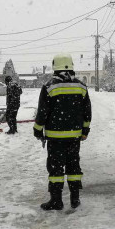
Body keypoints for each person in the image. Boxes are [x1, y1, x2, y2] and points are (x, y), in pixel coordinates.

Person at [33, 53, 91, 211]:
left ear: (55, 67)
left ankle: (56, 201)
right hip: (74, 137)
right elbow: (87, 112)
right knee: (74, 167)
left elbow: (42, 113)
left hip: (55, 139)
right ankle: (75, 199)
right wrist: (85, 131)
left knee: (56, 170)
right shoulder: (81, 86)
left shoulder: (49, 87)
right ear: (71, 66)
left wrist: (37, 130)